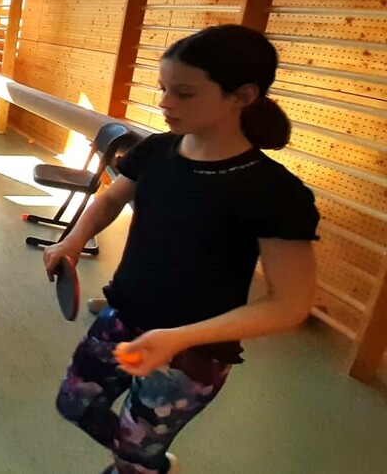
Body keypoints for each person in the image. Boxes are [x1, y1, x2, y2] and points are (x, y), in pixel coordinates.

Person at [44, 25, 319, 474]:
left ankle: (141, 461)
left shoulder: (274, 192)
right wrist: (73, 239)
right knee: (74, 404)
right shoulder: (155, 150)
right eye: (164, 89)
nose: (165, 103)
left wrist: (178, 338)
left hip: (193, 355)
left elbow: (289, 305)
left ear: (242, 96)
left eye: (184, 93)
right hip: (122, 317)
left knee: (132, 459)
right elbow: (111, 200)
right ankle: (149, 460)